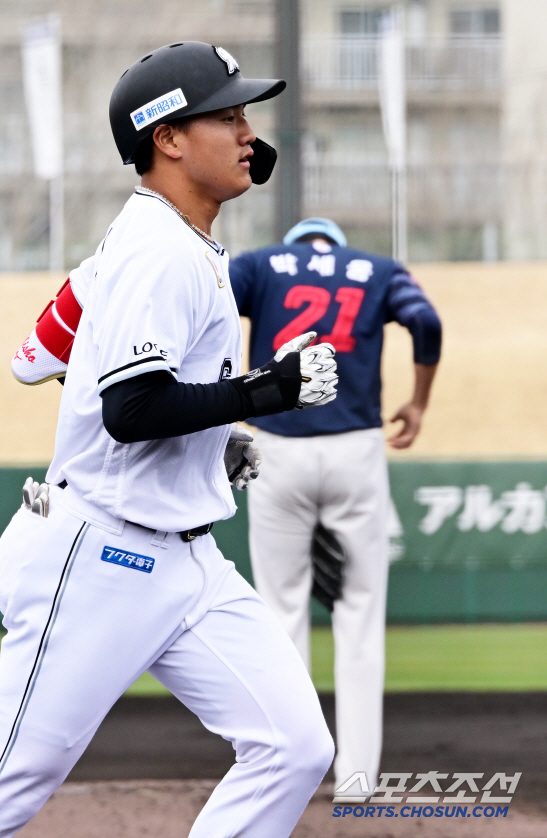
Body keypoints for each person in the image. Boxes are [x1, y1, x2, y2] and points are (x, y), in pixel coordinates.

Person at [0, 43, 339, 838]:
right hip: (103, 555)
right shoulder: (157, 248)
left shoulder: (174, 242)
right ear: (166, 138)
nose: (248, 132)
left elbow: (42, 359)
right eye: (227, 114)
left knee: (292, 745)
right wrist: (268, 389)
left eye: (246, 115)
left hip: (185, 559)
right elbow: (130, 409)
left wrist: (214, 436)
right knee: (3, 784)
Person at [228, 217, 442, 798]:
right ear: (336, 245)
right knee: (360, 616)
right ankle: (356, 781)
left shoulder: (258, 264)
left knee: (281, 612)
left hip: (277, 448)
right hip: (355, 449)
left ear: (296, 243)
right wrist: (418, 403)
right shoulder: (377, 270)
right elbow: (425, 321)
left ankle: (285, 774)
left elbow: (207, 305)